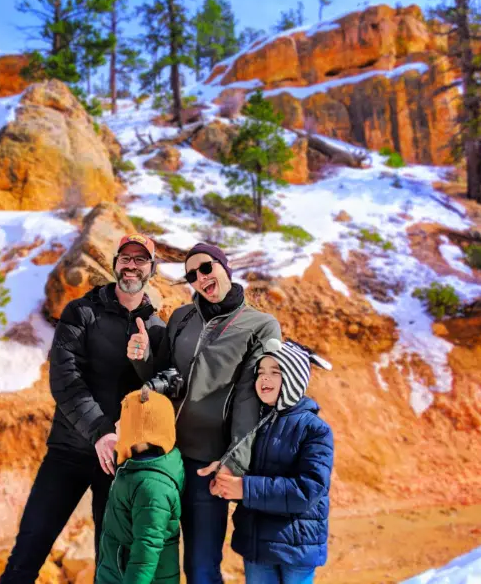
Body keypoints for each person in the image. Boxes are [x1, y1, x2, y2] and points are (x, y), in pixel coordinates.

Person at [0, 234, 166, 584]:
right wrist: (101, 432)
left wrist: (146, 358)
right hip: (68, 452)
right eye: (126, 257)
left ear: (152, 269)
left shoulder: (156, 330)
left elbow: (160, 392)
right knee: (28, 551)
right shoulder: (81, 311)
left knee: (112, 563)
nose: (132, 265)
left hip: (120, 463)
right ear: (115, 263)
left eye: (141, 259)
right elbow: (65, 380)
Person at [129, 242, 281, 584]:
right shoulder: (183, 317)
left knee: (200, 569)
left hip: (207, 466)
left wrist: (233, 462)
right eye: (192, 275)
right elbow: (164, 376)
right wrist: (141, 358)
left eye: (207, 268)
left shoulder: (261, 326)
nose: (200, 278)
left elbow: (251, 400)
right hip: (164, 456)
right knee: (155, 563)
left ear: (224, 267)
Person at [212, 339, 334, 584]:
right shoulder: (254, 425)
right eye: (260, 372)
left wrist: (244, 487)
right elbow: (246, 472)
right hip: (257, 544)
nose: (264, 379)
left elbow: (306, 490)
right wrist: (226, 483)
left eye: (275, 372)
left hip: (296, 547)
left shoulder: (315, 430)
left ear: (294, 378)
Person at [95, 385, 184, 584]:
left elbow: (146, 552)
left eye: (123, 418)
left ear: (137, 430)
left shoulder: (152, 487)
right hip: (118, 573)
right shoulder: (135, 468)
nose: (116, 424)